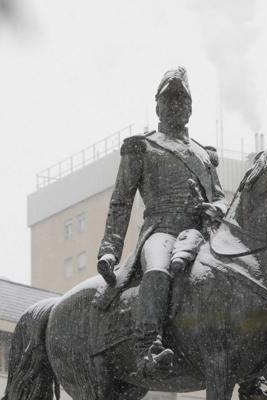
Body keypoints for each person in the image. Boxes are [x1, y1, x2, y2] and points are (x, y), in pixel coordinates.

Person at [97, 67, 228, 377]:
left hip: (200, 233)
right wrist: (109, 250)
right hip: (161, 229)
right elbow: (121, 201)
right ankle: (148, 347)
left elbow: (221, 198)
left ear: (191, 108)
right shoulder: (142, 147)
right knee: (157, 269)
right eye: (168, 101)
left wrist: (214, 208)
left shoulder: (203, 154)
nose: (175, 106)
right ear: (157, 106)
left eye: (181, 101)